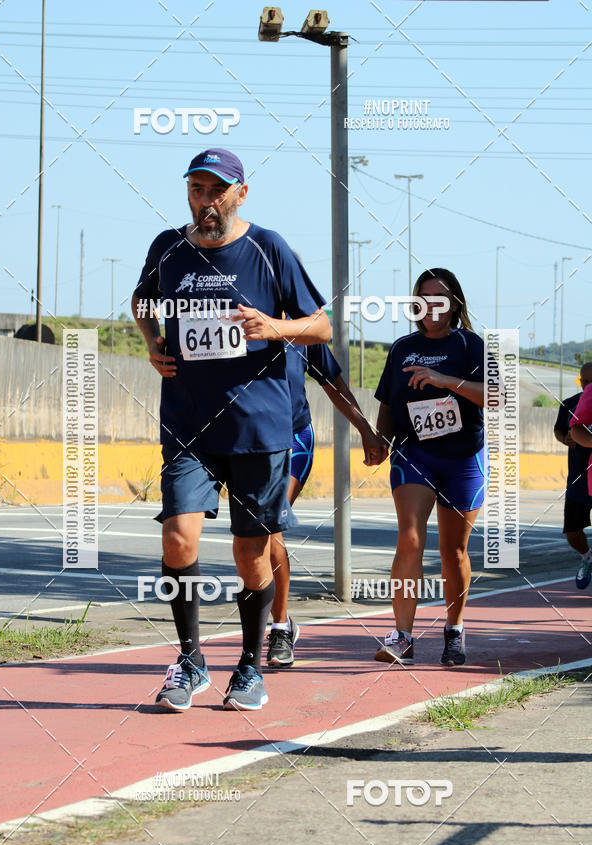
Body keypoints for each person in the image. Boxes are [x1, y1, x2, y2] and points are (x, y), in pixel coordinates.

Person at [131, 148, 331, 712]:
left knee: (251, 555)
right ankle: (190, 660)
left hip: (258, 428)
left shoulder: (268, 249)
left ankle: (248, 665)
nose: (206, 200)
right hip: (188, 423)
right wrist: (151, 340)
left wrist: (275, 326)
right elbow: (142, 300)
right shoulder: (167, 247)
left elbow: (323, 325)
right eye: (197, 189)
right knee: (177, 538)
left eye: (217, 190)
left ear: (241, 193)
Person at [372, 267, 486, 667]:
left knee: (453, 551)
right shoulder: (402, 347)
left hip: (463, 460)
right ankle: (402, 635)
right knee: (410, 538)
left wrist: (443, 379)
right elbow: (387, 403)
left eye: (440, 298)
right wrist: (379, 440)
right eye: (424, 298)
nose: (431, 306)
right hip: (414, 455)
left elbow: (495, 397)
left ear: (454, 303)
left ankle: (454, 629)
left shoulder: (471, 345)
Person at [266, 342, 388, 666]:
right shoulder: (238, 319)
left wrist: (365, 429)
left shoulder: (302, 330)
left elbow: (334, 384)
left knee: (269, 526)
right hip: (248, 441)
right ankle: (282, 621)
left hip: (294, 440)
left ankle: (279, 628)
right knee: (250, 540)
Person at [554, 364, 592, 589]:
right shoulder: (569, 404)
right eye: (584, 381)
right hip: (578, 478)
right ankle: (587, 558)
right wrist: (565, 438)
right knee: (572, 532)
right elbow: (559, 430)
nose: (588, 386)